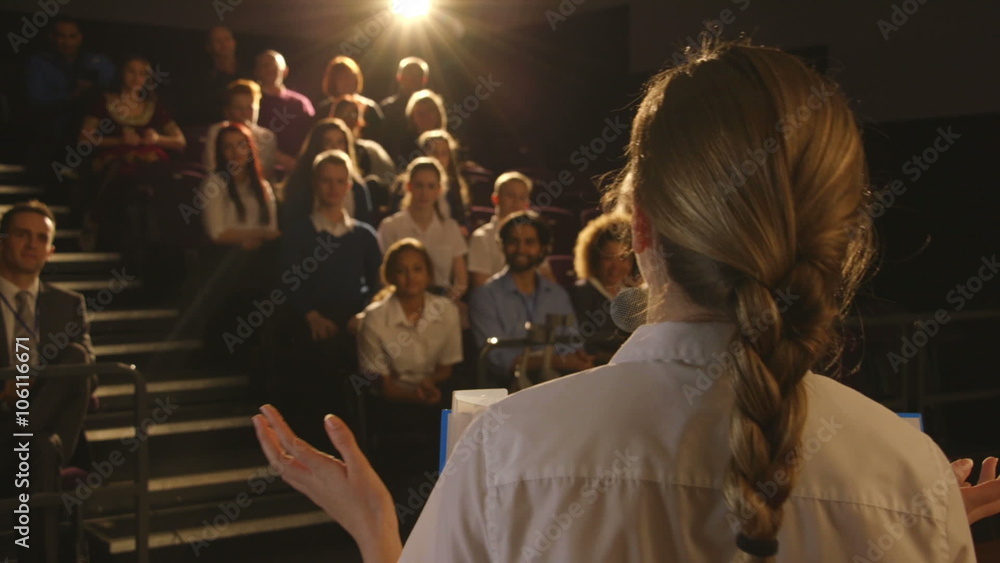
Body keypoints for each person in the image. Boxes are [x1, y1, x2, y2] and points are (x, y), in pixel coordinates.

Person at [253, 41, 996, 561]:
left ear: (637, 223)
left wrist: (377, 529)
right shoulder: (910, 477)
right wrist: (912, 522)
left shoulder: (510, 455)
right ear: (841, 237)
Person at [0, 201, 96, 562]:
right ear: (2, 241)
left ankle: (15, 442)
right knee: (39, 450)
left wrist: (35, 386)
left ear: (51, 250)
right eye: (23, 234)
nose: (32, 244)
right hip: (20, 426)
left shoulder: (68, 304)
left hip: (51, 418)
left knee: (77, 357)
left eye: (42, 238)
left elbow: (89, 378)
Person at [277, 149, 382, 444]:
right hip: (310, 323)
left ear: (349, 186)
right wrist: (310, 315)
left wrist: (364, 314)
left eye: (339, 181)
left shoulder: (364, 235)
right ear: (315, 183)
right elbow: (288, 280)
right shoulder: (298, 233)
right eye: (326, 181)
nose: (333, 188)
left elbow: (379, 281)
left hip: (355, 322)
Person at [469, 210, 593, 385]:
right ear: (502, 246)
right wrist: (553, 360)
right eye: (514, 241)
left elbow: (573, 344)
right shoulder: (485, 296)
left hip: (557, 384)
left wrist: (566, 360)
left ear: (542, 248)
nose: (521, 249)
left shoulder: (557, 294)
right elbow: (498, 358)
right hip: (506, 389)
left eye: (529, 242)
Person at [78, 54, 185, 251]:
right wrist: (119, 141)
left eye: (142, 74)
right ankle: (96, 220)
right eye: (131, 71)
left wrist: (157, 139)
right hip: (113, 160)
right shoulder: (105, 101)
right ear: (121, 74)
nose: (136, 78)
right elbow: (85, 139)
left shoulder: (154, 107)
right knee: (122, 168)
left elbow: (180, 141)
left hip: (149, 164)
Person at [359, 238, 462, 405]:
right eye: (401, 271)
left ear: (429, 274)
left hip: (435, 392)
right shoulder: (374, 317)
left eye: (417, 269)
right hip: (389, 403)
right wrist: (418, 398)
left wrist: (429, 383)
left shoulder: (447, 310)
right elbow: (383, 385)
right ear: (391, 275)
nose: (411, 277)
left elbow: (446, 368)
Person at [25, 17, 114, 183]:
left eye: (72, 36)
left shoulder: (96, 61)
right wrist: (72, 96)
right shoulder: (39, 63)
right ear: (52, 37)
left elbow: (112, 86)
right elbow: (36, 101)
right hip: (53, 125)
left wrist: (91, 89)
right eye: (61, 36)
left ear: (80, 38)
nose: (67, 42)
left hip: (94, 126)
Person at [377, 158, 467, 301]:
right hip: (401, 300)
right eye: (419, 186)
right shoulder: (390, 227)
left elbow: (460, 281)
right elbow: (384, 277)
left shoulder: (450, 228)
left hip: (440, 302)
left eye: (431, 186)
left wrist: (443, 306)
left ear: (439, 190)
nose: (424, 192)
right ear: (409, 186)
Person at [569, 212, 639, 364]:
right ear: (594, 258)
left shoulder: (637, 297)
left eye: (623, 258)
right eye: (608, 258)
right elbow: (583, 348)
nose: (616, 267)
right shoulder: (580, 294)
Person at [279, 118, 374, 227]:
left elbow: (365, 223)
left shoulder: (357, 187)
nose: (335, 147)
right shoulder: (300, 183)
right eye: (328, 142)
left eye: (340, 142)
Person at [201, 122, 279, 249]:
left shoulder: (262, 185)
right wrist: (257, 235)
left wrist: (259, 238)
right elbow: (217, 233)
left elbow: (272, 229)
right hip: (226, 254)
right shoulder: (214, 184)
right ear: (220, 152)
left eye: (241, 145)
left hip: (262, 250)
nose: (236, 152)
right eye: (228, 147)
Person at [254, 50, 316, 172]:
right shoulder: (252, 102)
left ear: (285, 71)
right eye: (265, 65)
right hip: (262, 168)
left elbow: (313, 134)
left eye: (274, 66)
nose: (270, 69)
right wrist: (281, 158)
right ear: (257, 71)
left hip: (298, 169)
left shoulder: (300, 103)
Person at [467, 171, 532, 287]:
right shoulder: (482, 238)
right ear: (496, 199)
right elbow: (482, 286)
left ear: (527, 205)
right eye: (510, 195)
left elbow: (546, 276)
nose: (516, 201)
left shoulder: (533, 236)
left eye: (522, 197)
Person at [203, 79, 278, 180]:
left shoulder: (266, 136)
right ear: (227, 110)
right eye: (238, 108)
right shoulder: (216, 132)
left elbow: (265, 173)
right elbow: (211, 168)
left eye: (249, 108)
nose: (244, 114)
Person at [183, 26, 248, 125]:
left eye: (227, 39)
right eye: (217, 41)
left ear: (234, 42)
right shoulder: (201, 79)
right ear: (208, 47)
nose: (224, 44)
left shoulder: (248, 75)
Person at [317, 56, 383, 143]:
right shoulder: (323, 110)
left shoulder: (369, 108)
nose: (347, 81)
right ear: (333, 81)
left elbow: (381, 139)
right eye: (341, 77)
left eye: (350, 76)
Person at [380, 57, 429, 167]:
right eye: (409, 74)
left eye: (417, 75)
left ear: (424, 79)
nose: (413, 79)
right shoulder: (387, 109)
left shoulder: (431, 109)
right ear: (399, 77)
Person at [418, 129, 469, 226]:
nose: (439, 158)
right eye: (434, 152)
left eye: (444, 153)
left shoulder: (454, 186)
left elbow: (462, 219)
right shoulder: (407, 184)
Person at [393, 89, 446, 167]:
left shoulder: (447, 142)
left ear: (438, 113)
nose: (425, 116)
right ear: (412, 117)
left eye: (430, 110)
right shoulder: (404, 147)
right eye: (420, 113)